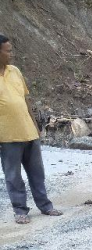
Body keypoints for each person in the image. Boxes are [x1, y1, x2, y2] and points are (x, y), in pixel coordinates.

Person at [0, 34, 62, 224]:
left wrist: (35, 126)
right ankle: (20, 210)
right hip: (7, 137)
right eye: (8, 51)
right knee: (13, 176)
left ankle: (45, 205)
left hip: (29, 132)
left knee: (37, 173)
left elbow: (26, 101)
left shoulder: (15, 71)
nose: (11, 54)